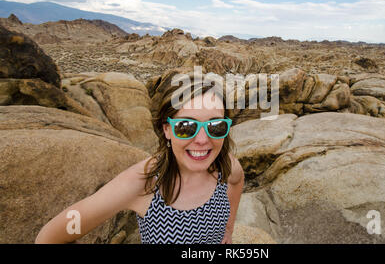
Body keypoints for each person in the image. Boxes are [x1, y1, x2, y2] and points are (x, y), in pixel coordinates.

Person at [35, 73, 245, 244]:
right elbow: (49, 236)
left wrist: (228, 230)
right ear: (167, 130)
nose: (202, 139)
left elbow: (237, 182)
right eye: (186, 127)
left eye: (215, 126)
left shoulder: (224, 166)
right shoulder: (143, 183)